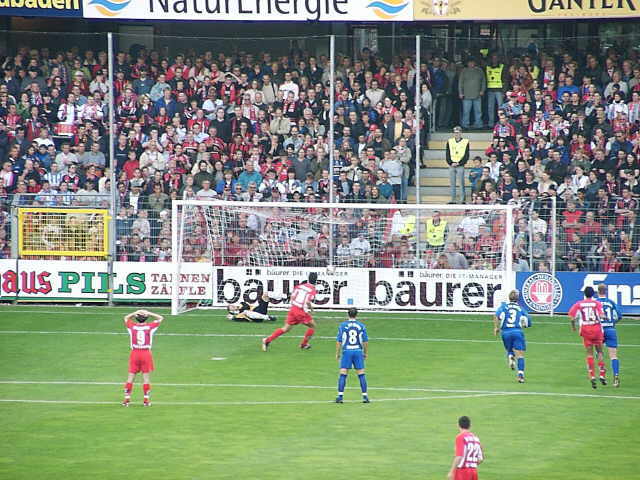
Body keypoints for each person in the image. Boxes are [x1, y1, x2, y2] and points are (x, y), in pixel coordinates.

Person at [262, 272, 318, 351]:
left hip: (293, 308)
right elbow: (308, 302)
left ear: (308, 279)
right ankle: (304, 344)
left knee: (286, 328)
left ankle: (267, 340)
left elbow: (292, 296)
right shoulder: (312, 290)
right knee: (312, 326)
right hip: (300, 311)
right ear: (316, 280)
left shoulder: (300, 286)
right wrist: (311, 310)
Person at [122, 309, 164, 406]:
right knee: (146, 378)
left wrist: (135, 312)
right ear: (146, 318)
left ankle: (126, 400)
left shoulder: (132, 327)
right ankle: (146, 400)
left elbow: (126, 318)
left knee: (130, 377)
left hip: (135, 353)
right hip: (145, 353)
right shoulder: (150, 327)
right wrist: (148, 312)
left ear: (136, 318)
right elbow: (160, 318)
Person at [568, 286, 605, 389]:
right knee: (600, 351)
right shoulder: (597, 303)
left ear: (584, 294)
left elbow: (572, 317)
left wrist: (573, 327)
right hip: (596, 328)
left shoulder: (579, 304)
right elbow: (601, 315)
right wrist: (605, 317)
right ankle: (602, 373)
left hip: (586, 329)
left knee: (589, 353)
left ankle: (592, 375)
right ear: (593, 294)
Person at [494, 290, 531, 383]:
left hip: (505, 332)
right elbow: (528, 322)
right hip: (517, 332)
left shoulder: (503, 307)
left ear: (509, 298)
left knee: (509, 349)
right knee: (520, 355)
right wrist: (524, 325)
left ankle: (510, 356)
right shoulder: (521, 309)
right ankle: (520, 375)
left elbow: (496, 316)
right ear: (518, 299)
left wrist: (496, 327)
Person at [335, 307, 369, 404]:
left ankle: (340, 396)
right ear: (356, 315)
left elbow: (339, 341)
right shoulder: (361, 326)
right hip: (358, 351)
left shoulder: (342, 326)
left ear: (348, 314)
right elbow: (365, 341)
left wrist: (337, 353)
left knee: (343, 373)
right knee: (361, 374)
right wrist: (365, 353)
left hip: (347, 351)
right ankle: (365, 396)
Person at [596, 283, 622, 387]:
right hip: (610, 329)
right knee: (613, 355)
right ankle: (616, 377)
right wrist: (613, 323)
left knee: (599, 352)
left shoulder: (595, 302)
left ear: (598, 292)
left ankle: (602, 372)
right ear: (606, 291)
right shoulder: (611, 302)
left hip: (599, 330)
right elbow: (619, 315)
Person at [448, 416, 483, 480]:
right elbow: (480, 459)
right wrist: (471, 465)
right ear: (470, 425)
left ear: (458, 425)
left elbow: (459, 456)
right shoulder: (476, 439)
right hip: (474, 472)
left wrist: (452, 471)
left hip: (462, 472)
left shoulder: (460, 437)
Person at [446, 126, 469, 203]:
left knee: (461, 183)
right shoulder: (450, 141)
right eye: (455, 133)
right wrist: (450, 162)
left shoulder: (465, 141)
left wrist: (460, 163)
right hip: (452, 164)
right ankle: (453, 199)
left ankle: (462, 199)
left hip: (460, 165)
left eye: (458, 132)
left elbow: (466, 155)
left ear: (461, 133)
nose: (456, 134)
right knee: (452, 183)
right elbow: (447, 153)